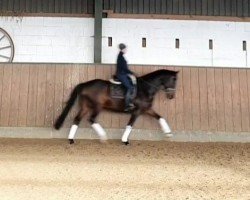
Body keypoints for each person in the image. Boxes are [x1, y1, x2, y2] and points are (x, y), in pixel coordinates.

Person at [116, 43, 135, 111]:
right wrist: (131, 73)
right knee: (130, 87)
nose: (126, 50)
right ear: (123, 49)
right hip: (121, 74)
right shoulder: (121, 57)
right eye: (125, 49)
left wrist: (130, 73)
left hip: (123, 74)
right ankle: (127, 105)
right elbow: (124, 68)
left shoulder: (121, 56)